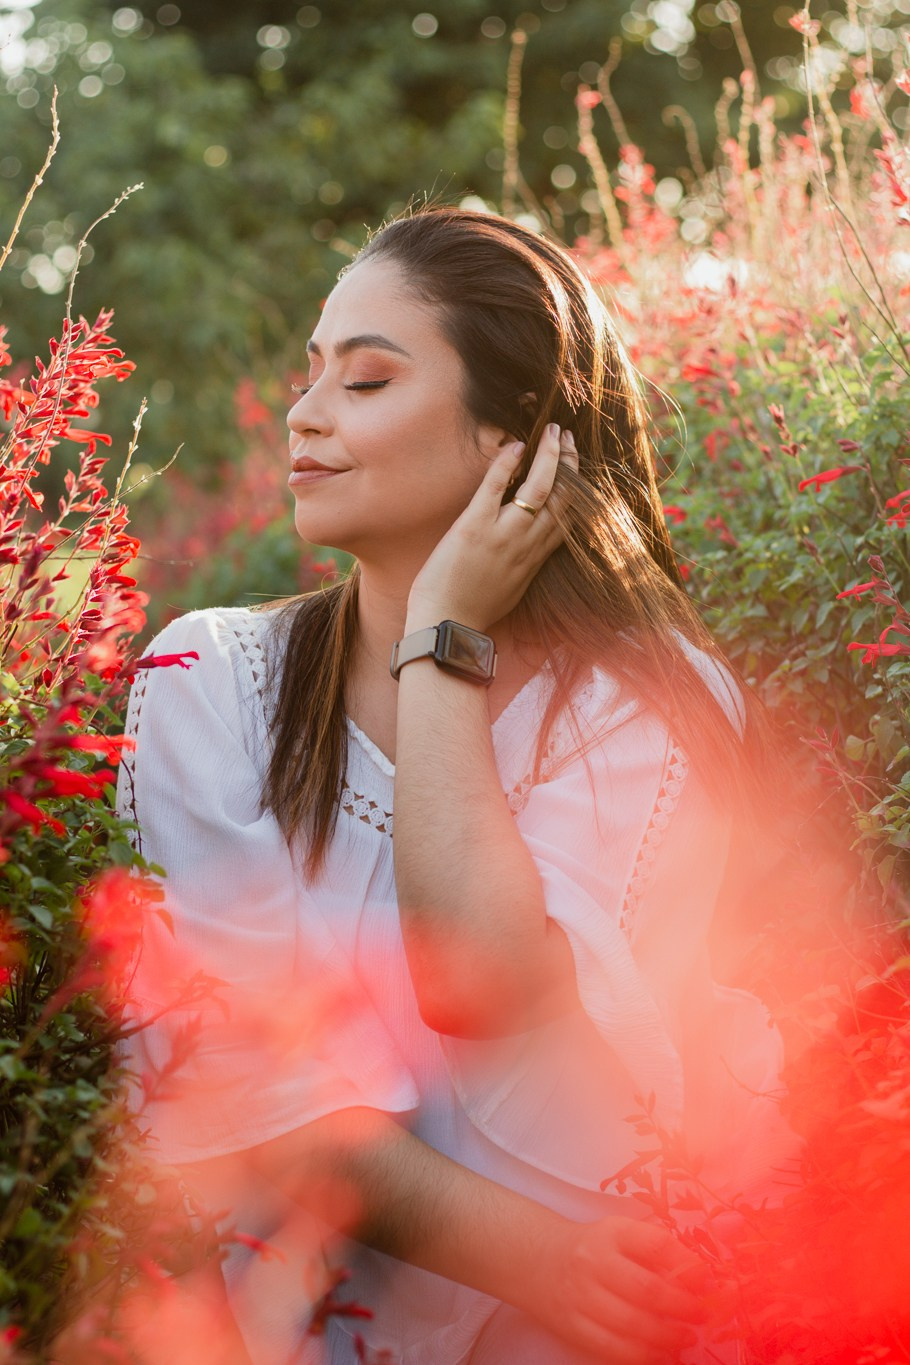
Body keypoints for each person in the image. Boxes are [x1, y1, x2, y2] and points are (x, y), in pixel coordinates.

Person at [117, 207, 790, 1365]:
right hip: (313, 1323)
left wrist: (440, 644)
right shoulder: (209, 681)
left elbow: (478, 988)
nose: (305, 413)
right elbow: (241, 1076)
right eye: (311, 372)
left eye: (367, 380)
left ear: (512, 437)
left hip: (601, 1318)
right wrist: (532, 1255)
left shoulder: (647, 702)